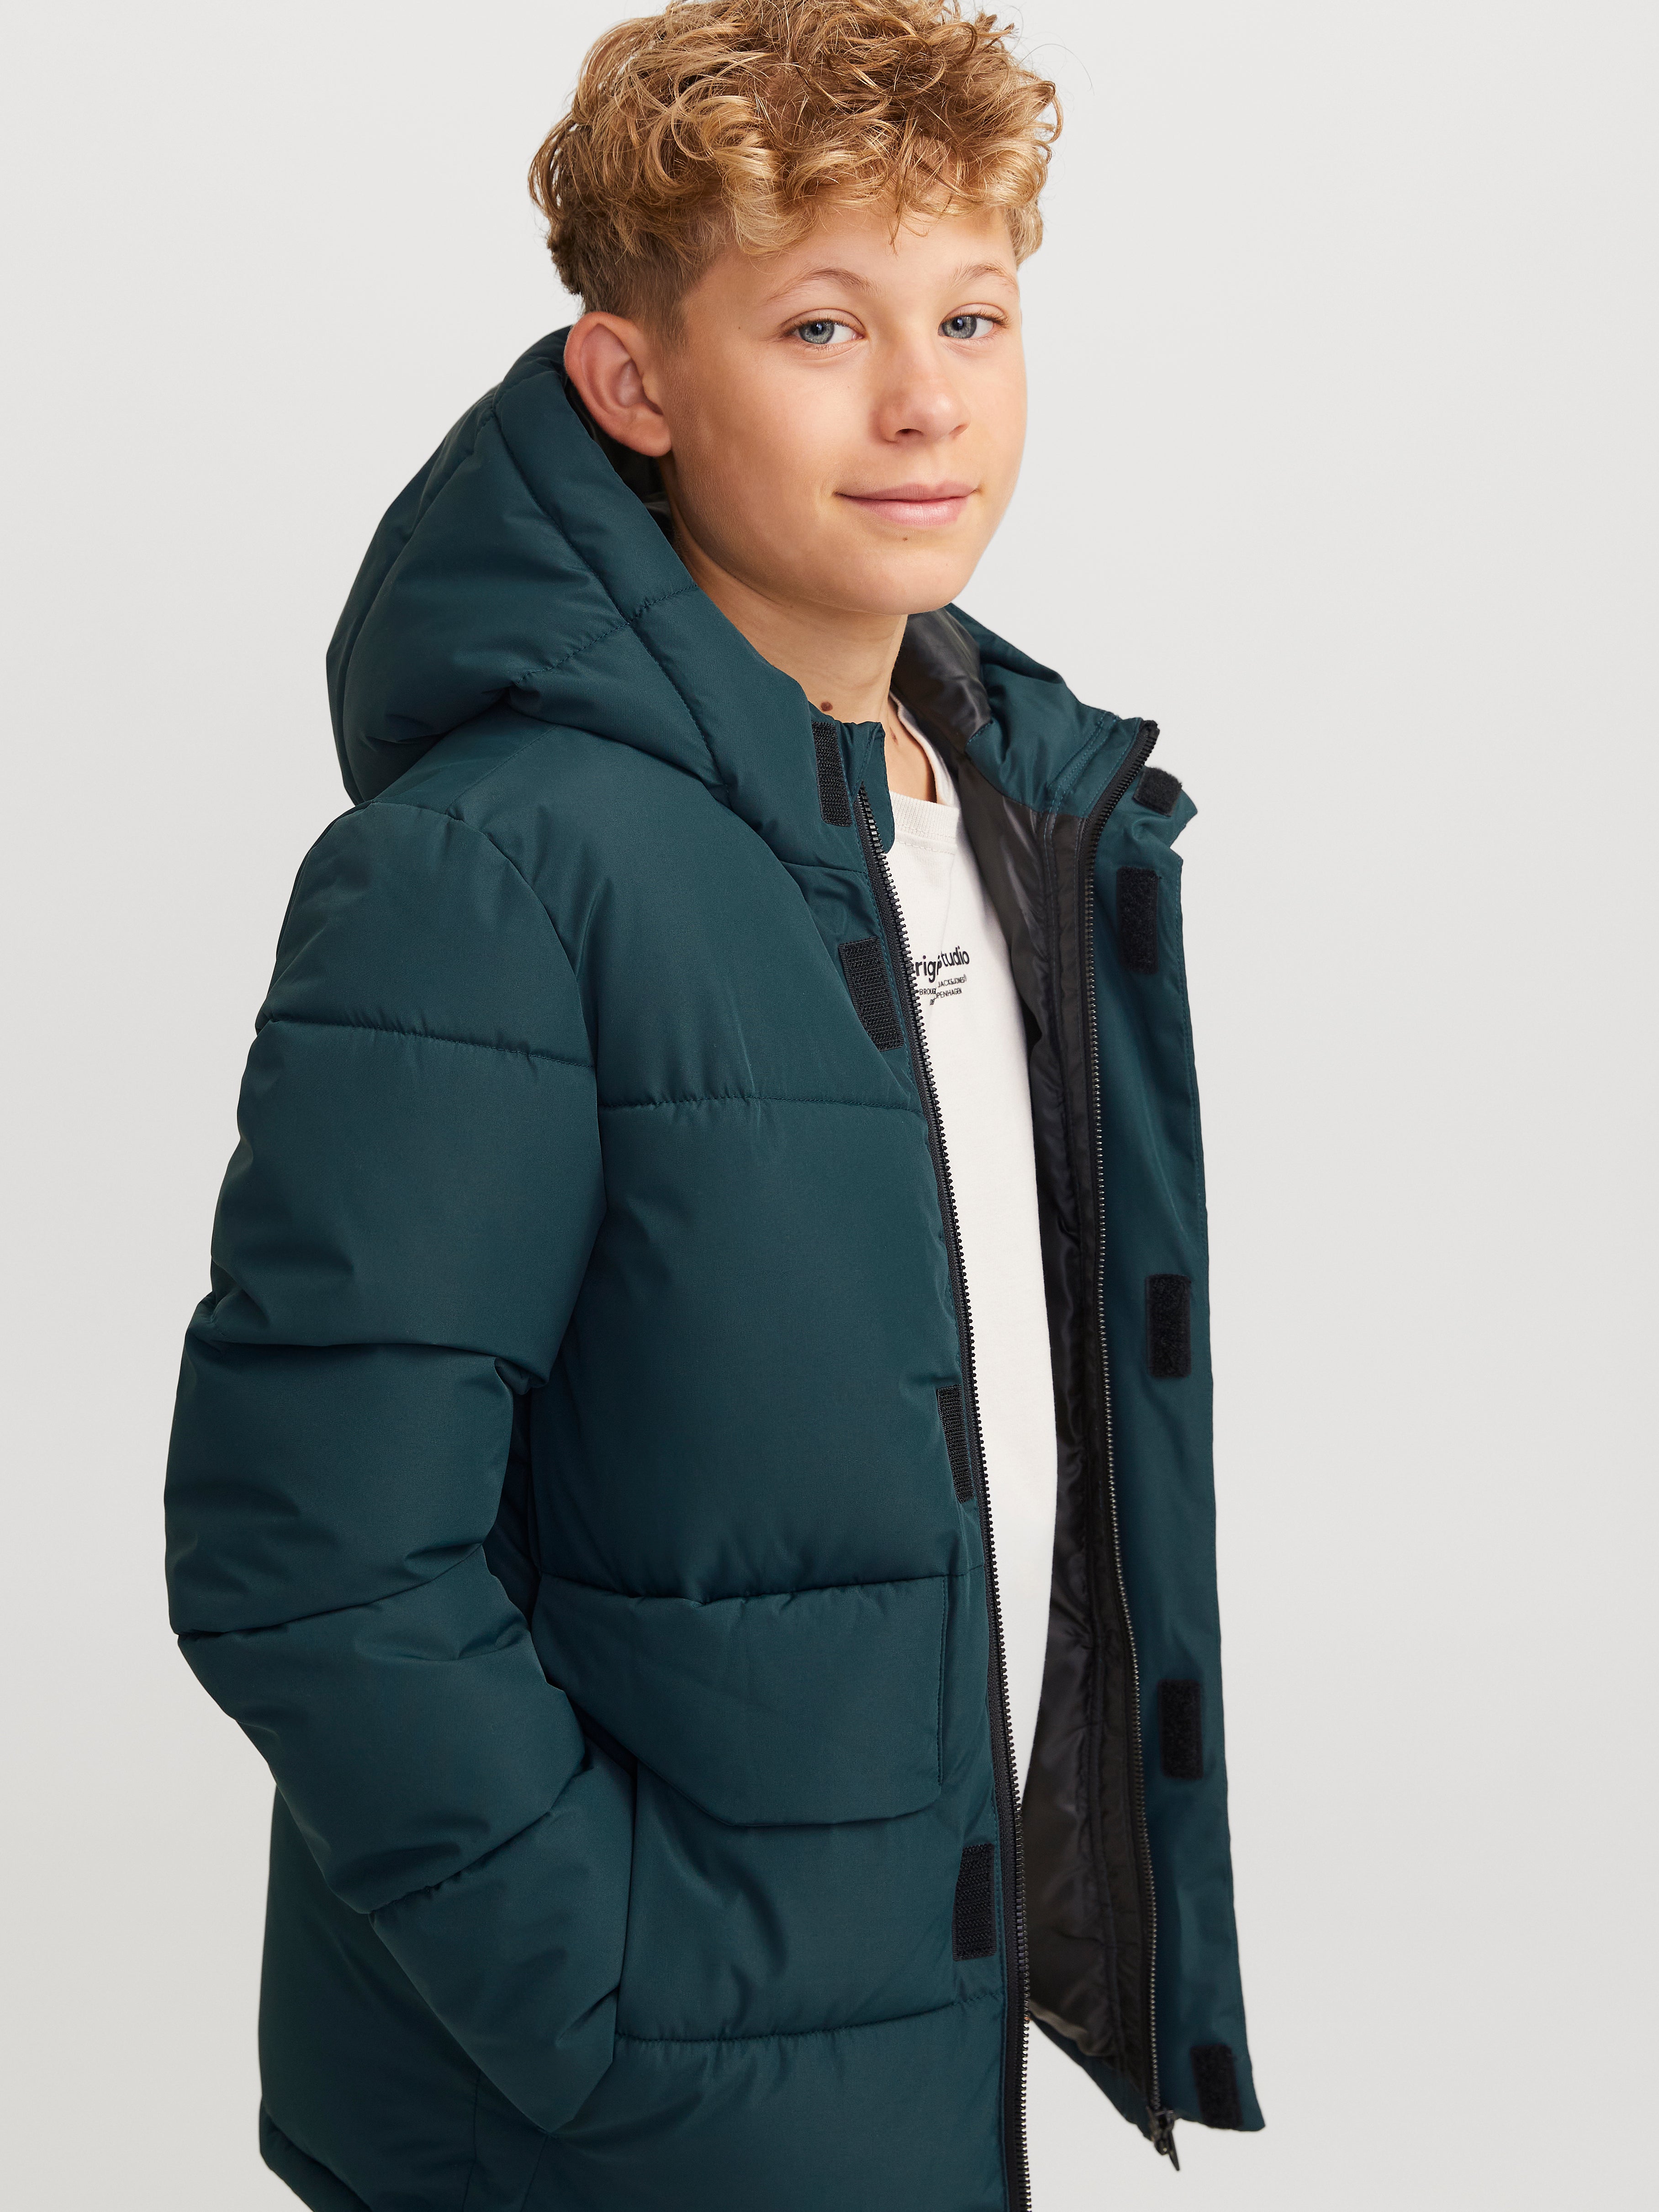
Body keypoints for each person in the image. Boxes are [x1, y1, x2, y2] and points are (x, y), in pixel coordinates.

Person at [164, 3, 1261, 2205]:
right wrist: (606, 1995)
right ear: (632, 381)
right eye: (820, 325)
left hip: (894, 2045)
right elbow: (314, 1548)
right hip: (612, 2113)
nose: (922, 397)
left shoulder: (1009, 812)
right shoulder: (494, 869)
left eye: (970, 315)